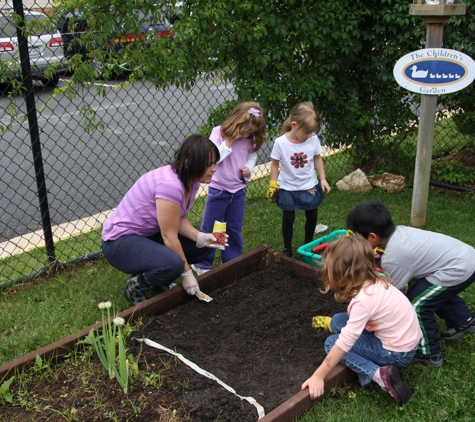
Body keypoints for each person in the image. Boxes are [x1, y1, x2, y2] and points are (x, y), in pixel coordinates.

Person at [346, 199, 475, 368]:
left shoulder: (394, 257)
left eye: (357, 238)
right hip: (465, 258)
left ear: (372, 237)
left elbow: (394, 296)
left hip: (458, 269)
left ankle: (429, 353)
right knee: (431, 292)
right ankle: (463, 320)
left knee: (417, 303)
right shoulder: (399, 233)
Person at [102, 135, 228, 306]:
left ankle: (157, 273)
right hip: (119, 242)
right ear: (189, 164)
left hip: (147, 234)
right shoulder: (170, 185)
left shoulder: (192, 180)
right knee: (173, 264)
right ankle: (135, 287)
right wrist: (186, 274)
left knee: (201, 247)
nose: (214, 169)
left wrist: (200, 237)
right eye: (208, 164)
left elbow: (178, 218)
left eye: (215, 163)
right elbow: (169, 236)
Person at [302, 235, 422, 406]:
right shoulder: (376, 281)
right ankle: (374, 368)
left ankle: (378, 374)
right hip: (405, 339)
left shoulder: (364, 301)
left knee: (332, 343)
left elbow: (345, 342)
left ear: (342, 275)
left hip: (397, 353)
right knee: (338, 320)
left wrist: (318, 376)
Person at [191, 101, 267, 275]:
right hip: (218, 190)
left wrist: (248, 170)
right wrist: (229, 142)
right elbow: (213, 159)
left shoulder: (250, 139)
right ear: (236, 122)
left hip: (238, 190)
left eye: (251, 131)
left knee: (233, 228)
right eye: (245, 129)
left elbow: (251, 157)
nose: (247, 134)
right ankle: (202, 263)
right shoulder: (218, 133)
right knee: (211, 227)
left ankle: (232, 262)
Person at [266, 102, 331, 257]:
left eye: (311, 132)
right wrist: (273, 183)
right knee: (288, 217)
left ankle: (308, 243)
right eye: (307, 131)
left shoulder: (313, 139)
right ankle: (287, 248)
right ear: (294, 125)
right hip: (287, 186)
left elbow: (317, 158)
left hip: (309, 184)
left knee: (312, 214)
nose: (309, 135)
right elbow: (275, 164)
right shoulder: (280, 143)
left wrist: (323, 178)